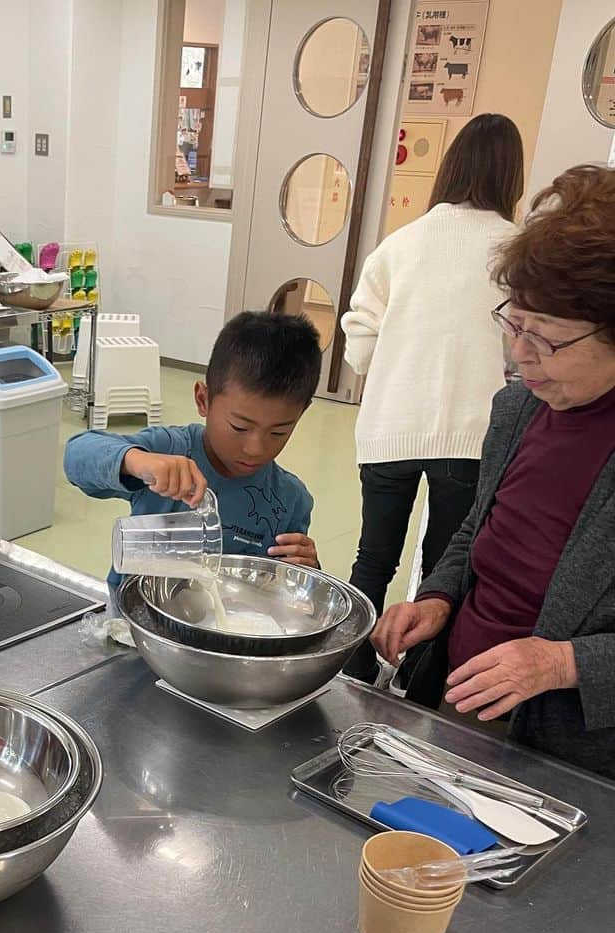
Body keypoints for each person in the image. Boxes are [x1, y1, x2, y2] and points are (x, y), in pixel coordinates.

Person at [372, 165, 615, 778]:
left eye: (547, 338)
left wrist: (563, 663)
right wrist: (439, 598)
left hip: (569, 747)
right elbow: (479, 528)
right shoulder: (519, 407)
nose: (518, 354)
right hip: (459, 699)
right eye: (514, 323)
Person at [340, 113, 524, 682]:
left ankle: (346, 676)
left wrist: (398, 363)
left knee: (373, 561)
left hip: (390, 425)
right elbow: (522, 350)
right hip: (473, 433)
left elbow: (357, 342)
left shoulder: (400, 244)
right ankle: (418, 691)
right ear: (511, 177)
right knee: (441, 577)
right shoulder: (518, 250)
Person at [64, 310, 322, 592]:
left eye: (278, 432)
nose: (255, 448)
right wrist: (136, 461)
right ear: (203, 399)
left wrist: (307, 573)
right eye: (239, 427)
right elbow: (77, 456)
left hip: (225, 627)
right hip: (134, 621)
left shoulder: (290, 500)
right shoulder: (168, 450)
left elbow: (282, 593)